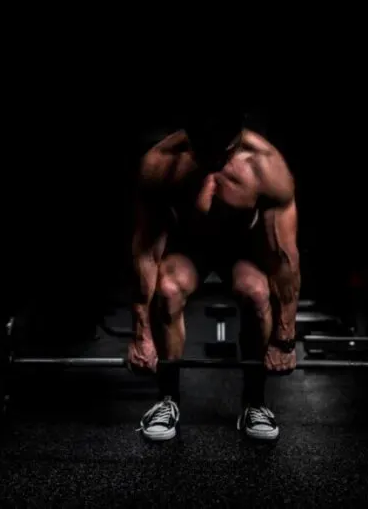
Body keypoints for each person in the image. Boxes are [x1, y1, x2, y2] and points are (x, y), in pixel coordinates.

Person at [129, 109, 301, 441]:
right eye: (203, 149)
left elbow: (283, 259)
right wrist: (141, 334)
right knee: (166, 290)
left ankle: (255, 402)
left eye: (222, 151)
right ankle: (167, 400)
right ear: (188, 135)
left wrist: (285, 338)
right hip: (189, 247)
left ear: (236, 137)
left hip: (242, 248)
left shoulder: (266, 166)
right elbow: (145, 251)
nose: (213, 159)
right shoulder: (161, 163)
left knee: (258, 292)